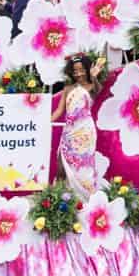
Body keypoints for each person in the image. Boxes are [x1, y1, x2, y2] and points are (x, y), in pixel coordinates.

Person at [53, 52, 105, 202]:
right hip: (69, 132)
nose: (78, 73)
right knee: (62, 163)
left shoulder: (91, 86)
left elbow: (97, 89)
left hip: (85, 133)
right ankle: (64, 198)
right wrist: (44, 121)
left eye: (82, 70)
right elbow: (59, 111)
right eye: (75, 71)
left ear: (87, 69)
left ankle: (86, 198)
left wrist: (94, 76)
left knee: (84, 166)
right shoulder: (68, 88)